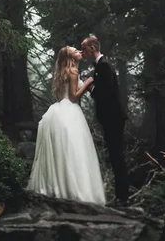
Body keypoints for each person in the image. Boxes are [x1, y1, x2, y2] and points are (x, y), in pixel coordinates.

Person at [26, 46, 106, 205]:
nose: (79, 51)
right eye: (75, 51)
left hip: (58, 111)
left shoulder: (63, 71)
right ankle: (74, 191)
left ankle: (60, 187)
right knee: (74, 151)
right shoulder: (73, 72)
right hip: (70, 113)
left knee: (64, 151)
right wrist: (89, 81)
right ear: (70, 58)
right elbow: (74, 97)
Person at [81, 36, 130, 207]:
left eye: (84, 49)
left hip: (114, 119)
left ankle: (123, 198)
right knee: (115, 156)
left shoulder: (104, 66)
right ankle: (121, 197)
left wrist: (90, 87)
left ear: (93, 48)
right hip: (111, 118)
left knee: (117, 157)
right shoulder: (101, 66)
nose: (82, 53)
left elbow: (105, 94)